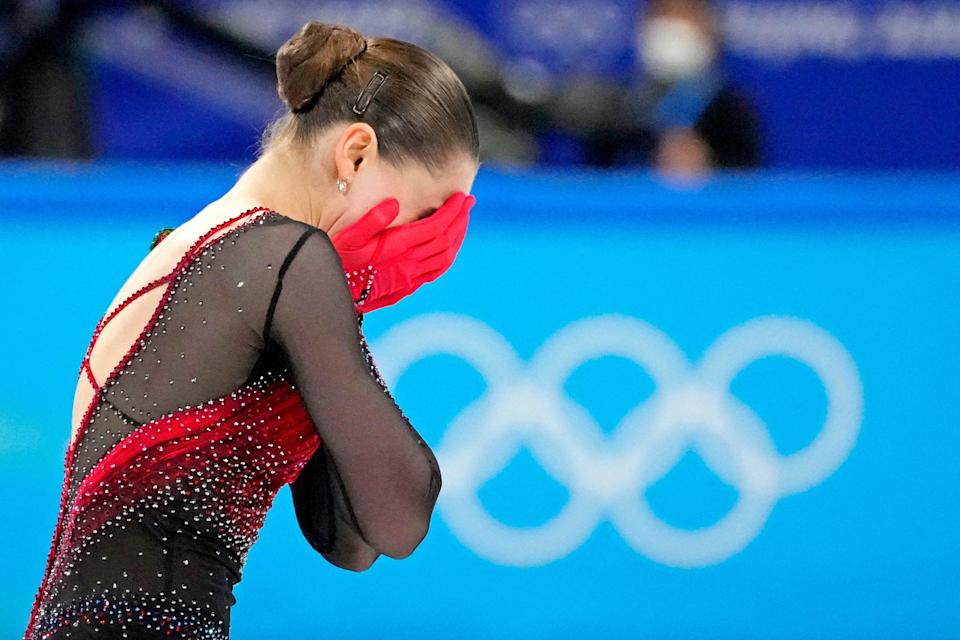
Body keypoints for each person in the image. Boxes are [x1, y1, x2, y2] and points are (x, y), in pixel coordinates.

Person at [22, 20, 479, 639]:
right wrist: (348, 290)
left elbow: (349, 537)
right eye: (428, 213)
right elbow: (401, 515)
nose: (430, 240)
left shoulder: (227, 254)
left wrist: (343, 304)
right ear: (356, 153)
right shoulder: (284, 260)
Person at [582, 0, 762, 177]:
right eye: (662, 14)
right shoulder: (618, 107)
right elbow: (597, 181)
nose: (671, 27)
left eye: (683, 15)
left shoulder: (732, 112)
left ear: (709, 28)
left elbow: (748, 186)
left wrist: (709, 167)